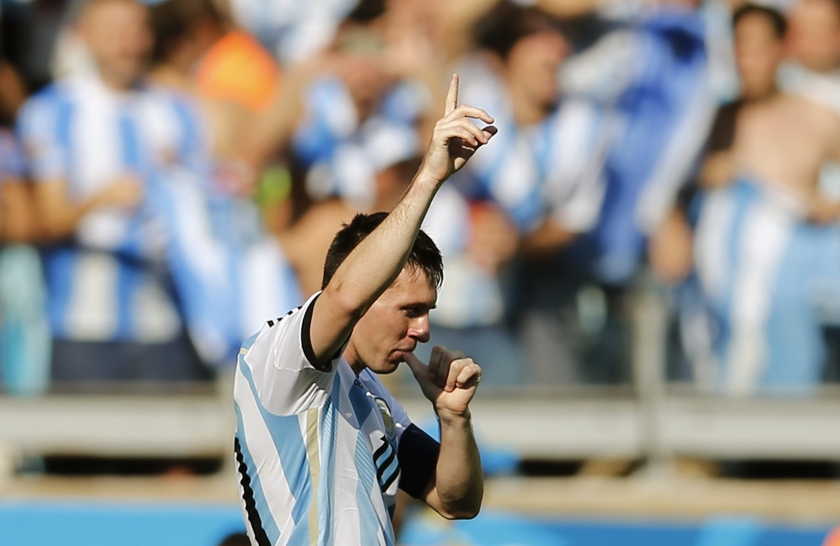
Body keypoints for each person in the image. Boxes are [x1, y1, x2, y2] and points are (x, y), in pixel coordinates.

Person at [233, 75, 494, 545]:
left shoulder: (374, 399)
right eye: (410, 309)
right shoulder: (277, 358)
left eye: (428, 310)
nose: (424, 329)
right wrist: (430, 176)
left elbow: (457, 502)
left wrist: (453, 419)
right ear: (366, 295)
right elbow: (343, 298)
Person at [16, 0, 210, 383]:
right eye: (116, 32)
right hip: (82, 327)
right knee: (80, 440)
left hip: (167, 325)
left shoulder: (179, 110)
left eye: (138, 30)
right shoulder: (51, 111)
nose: (130, 43)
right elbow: (46, 219)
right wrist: (102, 199)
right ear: (84, 37)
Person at [692, 4, 840, 394]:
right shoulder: (714, 121)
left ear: (781, 49)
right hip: (719, 309)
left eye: (757, 47)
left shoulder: (816, 117)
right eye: (739, 47)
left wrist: (829, 205)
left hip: (790, 305)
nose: (747, 59)